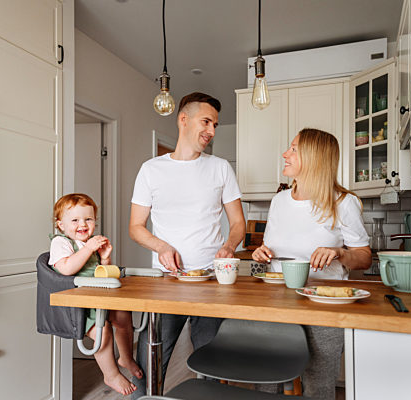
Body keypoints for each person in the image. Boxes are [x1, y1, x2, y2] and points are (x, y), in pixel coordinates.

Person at [129, 92, 246, 398]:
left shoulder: (220, 167)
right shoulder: (151, 170)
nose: (212, 130)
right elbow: (136, 227)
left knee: (212, 364)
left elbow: (238, 224)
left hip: (211, 282)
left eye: (216, 125)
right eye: (206, 121)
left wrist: (230, 246)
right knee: (148, 363)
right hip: (167, 283)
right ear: (183, 119)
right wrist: (161, 246)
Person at [252, 128, 371, 400]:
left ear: (315, 157)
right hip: (277, 303)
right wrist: (262, 254)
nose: (285, 154)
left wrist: (339, 252)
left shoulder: (343, 202)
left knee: (319, 386)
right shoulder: (279, 201)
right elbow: (270, 253)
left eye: (293, 149)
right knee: (265, 382)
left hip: (324, 306)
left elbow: (363, 257)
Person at [49, 193, 143, 396]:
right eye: (74, 220)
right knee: (104, 330)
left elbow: (99, 274)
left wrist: (105, 258)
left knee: (123, 315)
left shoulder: (88, 243)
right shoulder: (60, 243)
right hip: (77, 306)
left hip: (96, 298)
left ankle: (126, 357)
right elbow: (67, 269)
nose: (82, 224)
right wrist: (88, 249)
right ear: (61, 225)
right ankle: (110, 374)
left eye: (88, 219)